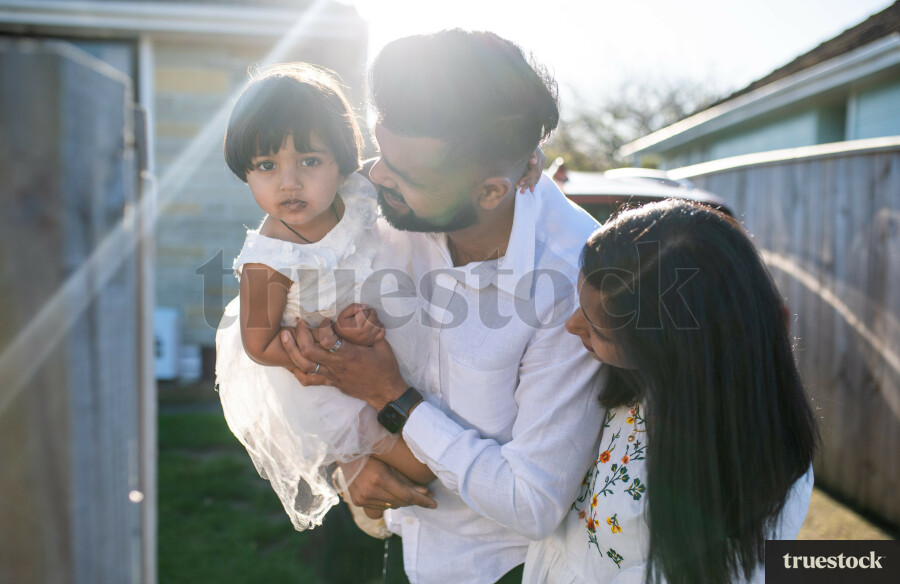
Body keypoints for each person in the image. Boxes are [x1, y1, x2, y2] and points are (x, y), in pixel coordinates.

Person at [278, 30, 606, 584]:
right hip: (395, 543)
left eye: (405, 176)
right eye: (383, 153)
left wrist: (389, 396)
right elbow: (283, 349)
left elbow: (534, 502)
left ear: (490, 192)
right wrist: (344, 463)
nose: (376, 175)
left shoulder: (575, 281)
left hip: (508, 568)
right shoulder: (372, 210)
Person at [523, 199, 819, 584]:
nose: (572, 325)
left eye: (597, 327)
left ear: (669, 347)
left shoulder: (751, 480)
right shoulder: (634, 383)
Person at [215, 63, 437, 533]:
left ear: (342, 160)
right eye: (266, 166)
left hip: (376, 332)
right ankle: (368, 504)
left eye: (309, 161)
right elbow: (258, 343)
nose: (288, 183)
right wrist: (338, 339)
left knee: (429, 412)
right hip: (319, 371)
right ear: (246, 171)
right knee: (424, 464)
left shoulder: (356, 195)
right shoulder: (271, 256)